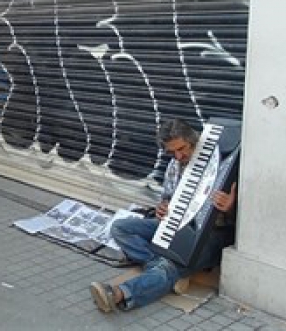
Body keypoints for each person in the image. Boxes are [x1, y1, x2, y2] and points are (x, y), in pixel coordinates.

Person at [89, 119, 238, 313]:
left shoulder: (223, 163)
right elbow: (167, 199)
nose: (178, 156)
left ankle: (119, 294)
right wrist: (162, 208)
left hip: (212, 234)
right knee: (120, 227)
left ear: (194, 141)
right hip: (175, 225)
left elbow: (247, 222)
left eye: (182, 149)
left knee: (172, 265)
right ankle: (160, 266)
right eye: (171, 152)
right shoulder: (175, 165)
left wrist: (230, 207)